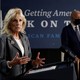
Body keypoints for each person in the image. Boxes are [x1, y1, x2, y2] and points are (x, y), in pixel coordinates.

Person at [0, 8, 45, 80]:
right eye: (15, 20)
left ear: (23, 22)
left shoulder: (25, 38)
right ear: (9, 23)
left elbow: (27, 60)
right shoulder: (3, 38)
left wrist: (33, 63)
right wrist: (11, 63)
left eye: (20, 20)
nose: (18, 23)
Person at [61, 10, 80, 80]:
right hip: (73, 62)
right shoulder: (66, 30)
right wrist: (74, 56)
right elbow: (64, 46)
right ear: (72, 18)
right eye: (78, 19)